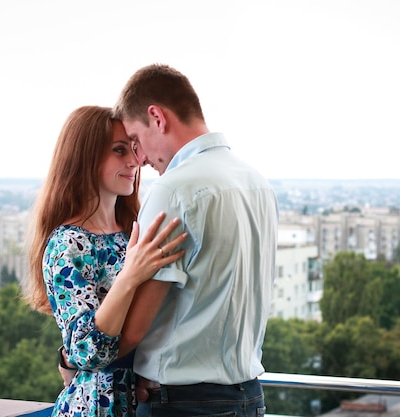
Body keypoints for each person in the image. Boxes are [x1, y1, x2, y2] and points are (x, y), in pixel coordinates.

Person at [112, 64, 279, 417]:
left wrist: (75, 362)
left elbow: (132, 330)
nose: (139, 159)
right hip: (249, 397)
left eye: (136, 140)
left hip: (182, 403)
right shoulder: (256, 181)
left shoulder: (174, 190)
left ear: (157, 117)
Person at [24, 105, 188, 417]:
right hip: (98, 408)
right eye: (119, 150)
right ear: (84, 157)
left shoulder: (133, 233)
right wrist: (130, 275)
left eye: (135, 149)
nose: (135, 161)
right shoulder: (66, 246)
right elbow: (87, 350)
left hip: (154, 403)